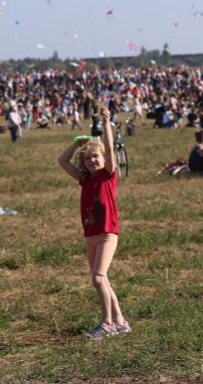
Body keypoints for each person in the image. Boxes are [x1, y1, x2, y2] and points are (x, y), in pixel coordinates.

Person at [56, 109, 129, 340]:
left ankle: (107, 323)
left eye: (96, 157)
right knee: (102, 279)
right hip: (91, 235)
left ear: (105, 159)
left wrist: (106, 123)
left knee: (98, 278)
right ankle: (121, 322)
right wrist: (78, 144)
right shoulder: (84, 179)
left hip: (107, 233)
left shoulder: (108, 175)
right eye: (87, 159)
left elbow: (109, 148)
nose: (92, 161)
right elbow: (62, 161)